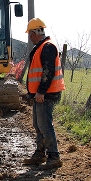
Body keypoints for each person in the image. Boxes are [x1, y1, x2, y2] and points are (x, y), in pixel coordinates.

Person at [24, 18, 65, 169]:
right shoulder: (42, 47)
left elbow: (48, 71)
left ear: (34, 33)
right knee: (38, 125)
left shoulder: (47, 47)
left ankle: (54, 156)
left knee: (45, 126)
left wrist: (40, 91)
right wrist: (31, 93)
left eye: (30, 34)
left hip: (46, 94)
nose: (29, 37)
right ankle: (40, 153)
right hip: (40, 94)